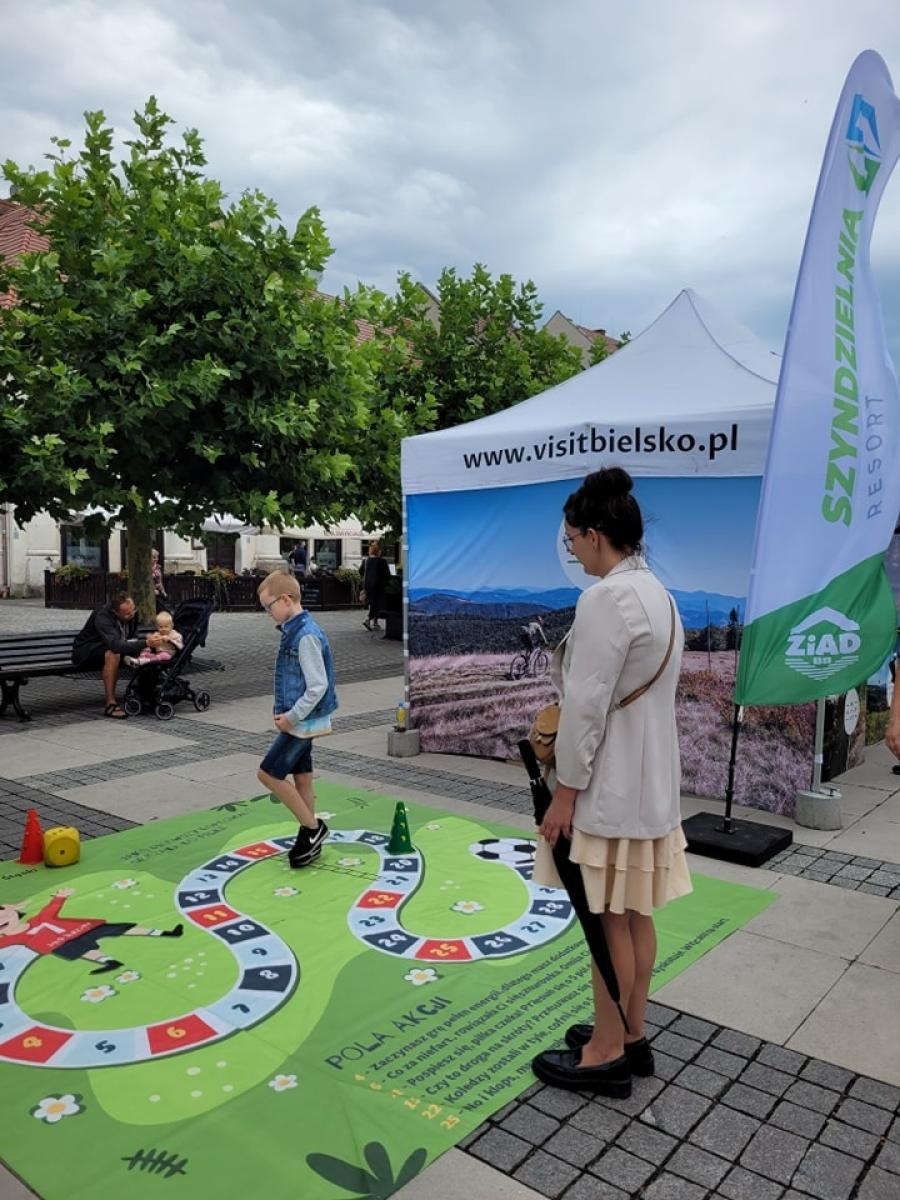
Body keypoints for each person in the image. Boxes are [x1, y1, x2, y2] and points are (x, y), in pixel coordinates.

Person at [530, 467, 691, 1097]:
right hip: (651, 783)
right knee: (633, 913)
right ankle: (631, 1032)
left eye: (571, 537)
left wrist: (564, 792)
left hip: (610, 785)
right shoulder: (659, 592)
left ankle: (605, 1052)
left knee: (606, 919)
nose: (569, 548)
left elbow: (587, 704)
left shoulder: (605, 599)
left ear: (595, 535)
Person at [256, 571, 338, 868]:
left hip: (302, 722)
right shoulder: (298, 630)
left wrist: (291, 718)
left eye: (269, 607)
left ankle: (313, 829)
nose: (268, 614)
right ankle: (309, 835)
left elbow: (318, 686)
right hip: (305, 720)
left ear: (286, 599)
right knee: (301, 777)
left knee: (268, 774)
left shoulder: (305, 636)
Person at [0, 887, 183, 975]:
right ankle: (109, 962)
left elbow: (51, 909)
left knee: (123, 928)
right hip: (61, 943)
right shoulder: (13, 938)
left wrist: (60, 897)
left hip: (82, 928)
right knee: (82, 950)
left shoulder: (38, 919)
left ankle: (166, 933)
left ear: (14, 911)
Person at [72, 591, 164, 719]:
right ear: (115, 612)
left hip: (112, 646)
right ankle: (111, 703)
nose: (132, 614)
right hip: (87, 651)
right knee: (113, 654)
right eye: (127, 614)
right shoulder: (102, 616)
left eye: (133, 610)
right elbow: (115, 645)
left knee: (148, 653)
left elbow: (131, 638)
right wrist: (146, 643)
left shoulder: (132, 614)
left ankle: (147, 694)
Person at [359, 542, 391, 632]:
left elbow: (360, 571)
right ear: (378, 552)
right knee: (377, 603)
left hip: (367, 585)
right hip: (379, 586)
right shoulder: (382, 561)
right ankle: (369, 620)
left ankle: (375, 623)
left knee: (373, 604)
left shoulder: (366, 561)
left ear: (370, 551)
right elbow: (387, 575)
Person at [151, 548, 169, 613]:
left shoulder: (158, 567)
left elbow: (160, 581)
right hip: (151, 593)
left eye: (157, 557)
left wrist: (163, 592)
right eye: (153, 557)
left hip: (159, 592)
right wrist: (152, 590)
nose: (156, 559)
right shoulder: (147, 569)